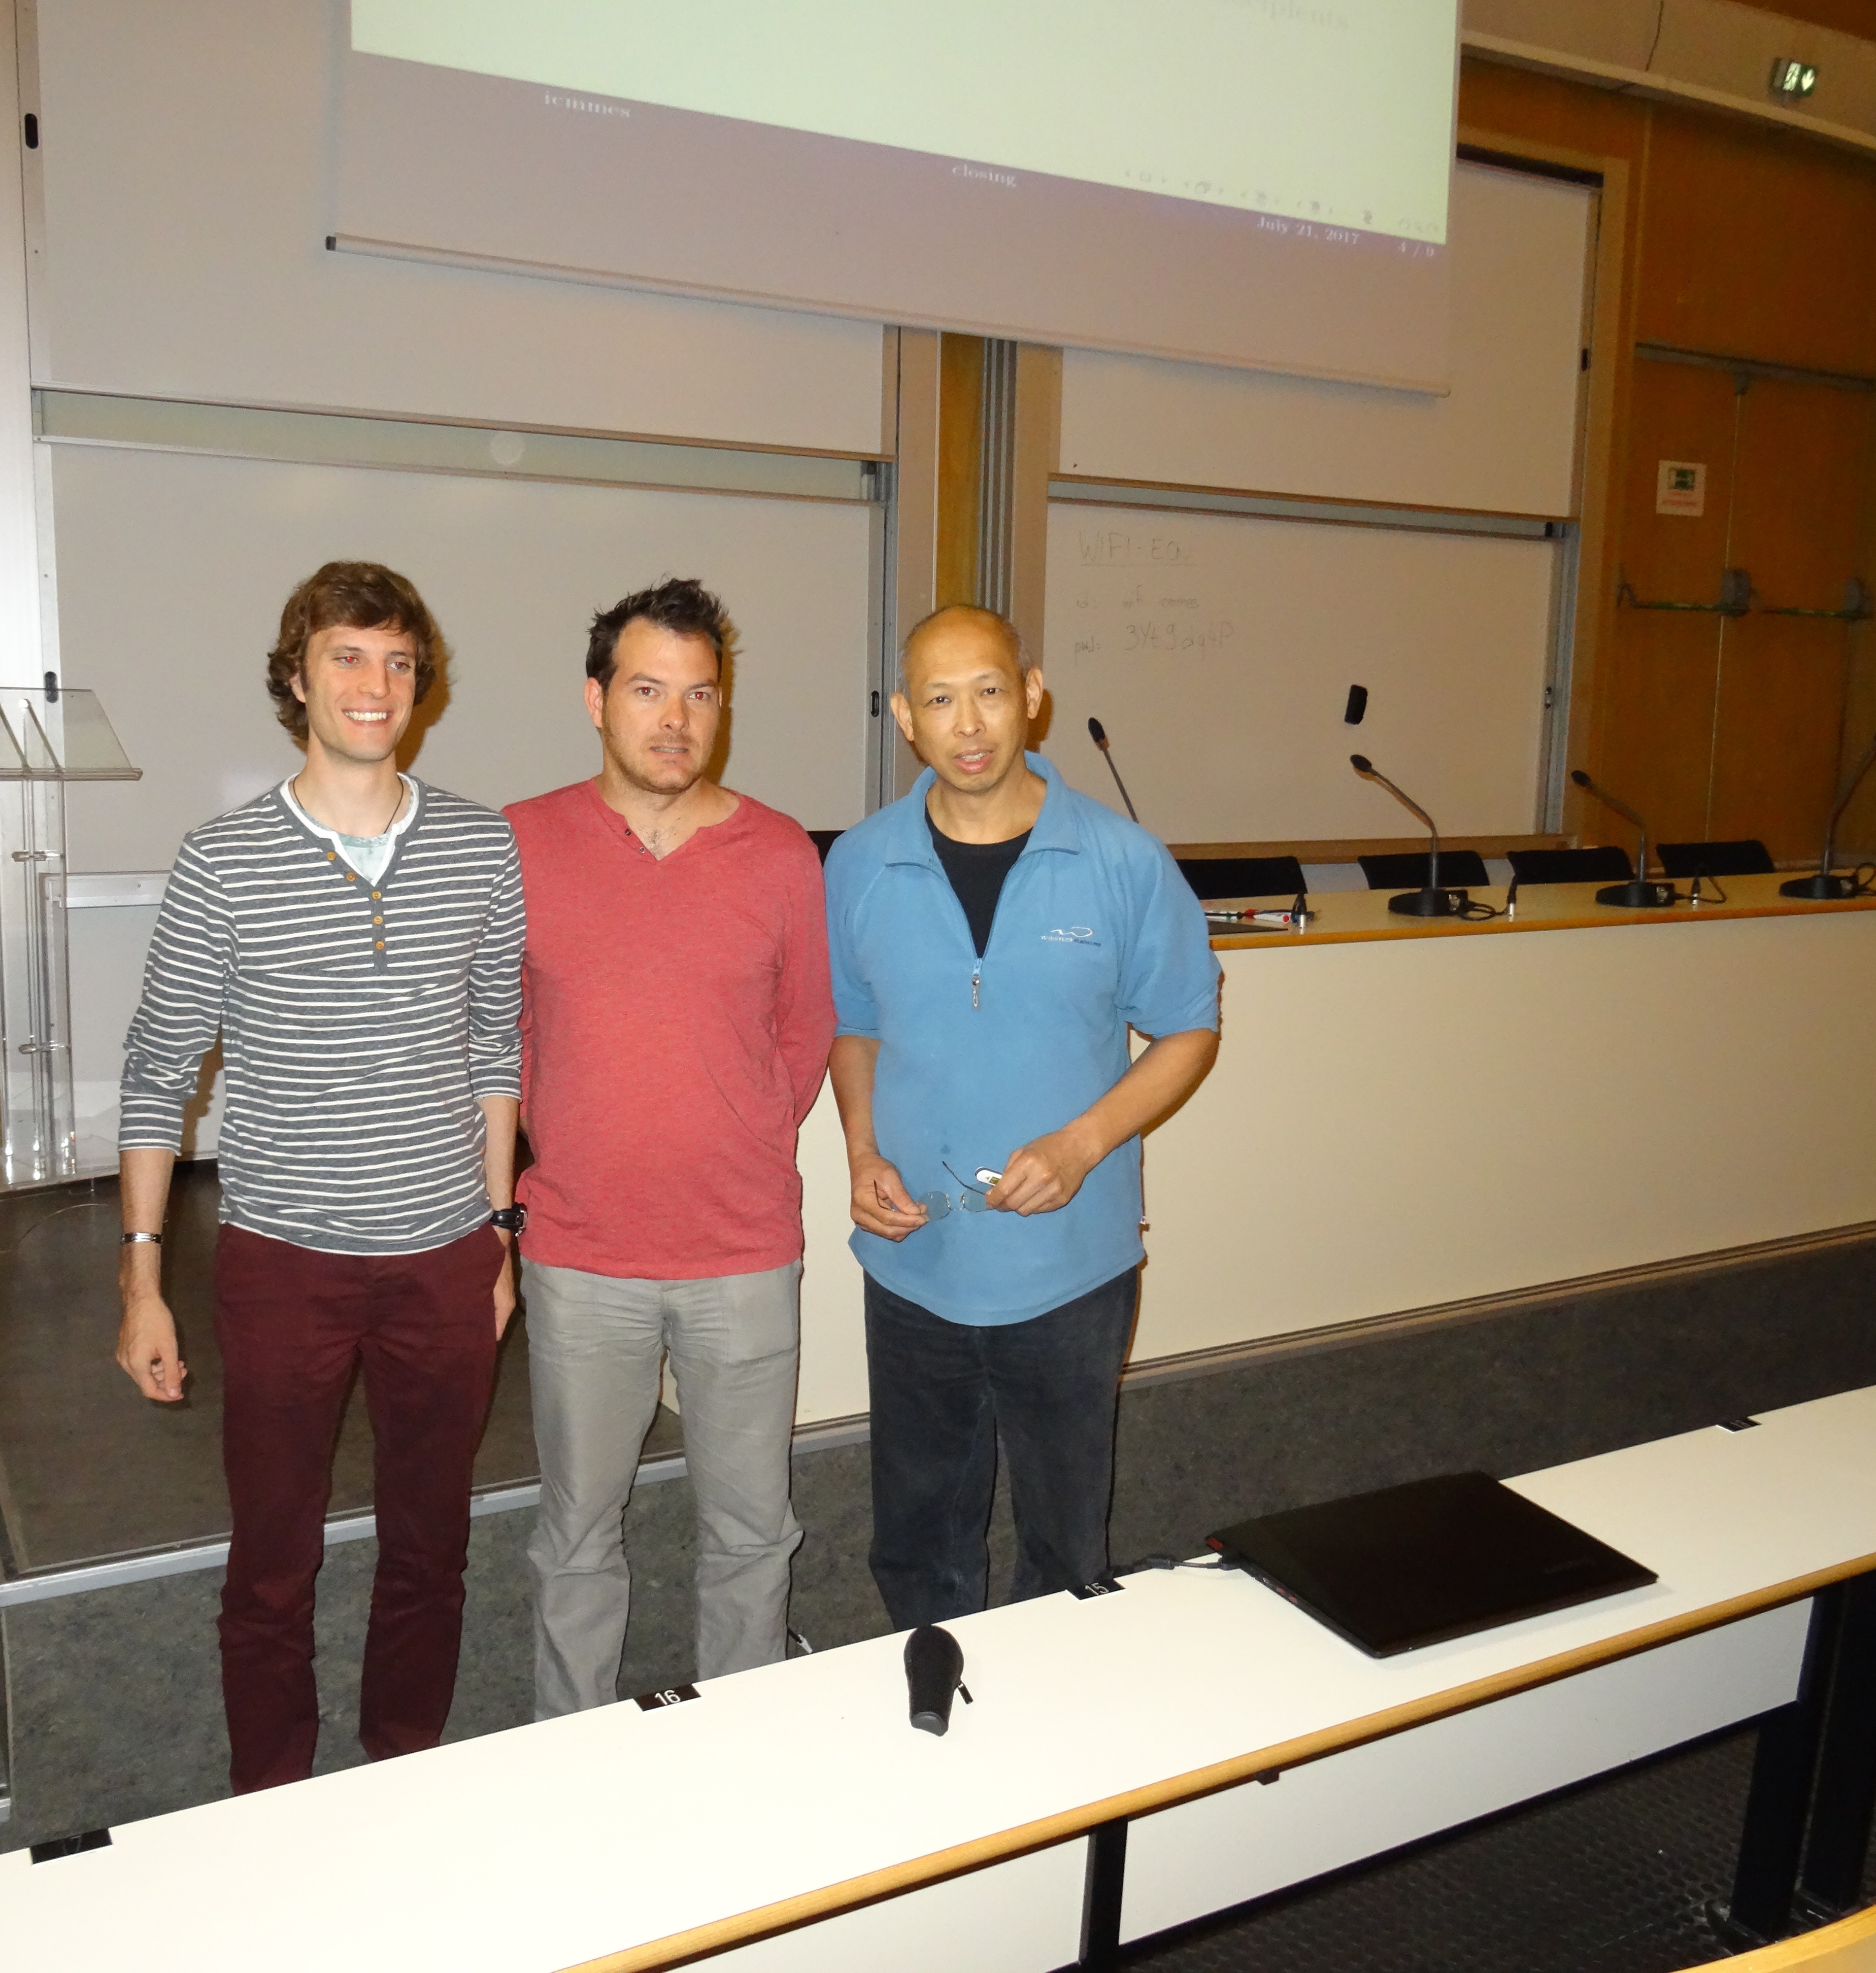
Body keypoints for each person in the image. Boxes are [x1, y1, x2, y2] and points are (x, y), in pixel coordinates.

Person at [114, 560, 525, 1788]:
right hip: (286, 1264)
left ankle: (401, 1770)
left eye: (399, 661)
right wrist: (143, 1280)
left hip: (445, 1260)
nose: (376, 684)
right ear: (298, 679)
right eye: (349, 656)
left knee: (429, 1552)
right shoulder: (223, 860)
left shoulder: (479, 848)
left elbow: (496, 1044)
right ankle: (271, 1802)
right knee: (273, 1561)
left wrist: (499, 1233)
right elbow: (154, 1073)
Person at [823, 603, 1220, 1628]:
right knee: (919, 1544)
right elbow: (855, 1029)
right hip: (917, 1266)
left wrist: (1086, 1144)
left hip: (1071, 1273)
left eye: (990, 691)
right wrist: (860, 1150)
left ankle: (1064, 1756)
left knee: (1065, 1546)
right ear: (907, 718)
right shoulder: (860, 864)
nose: (969, 724)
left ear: (1032, 697)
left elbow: (1188, 1029)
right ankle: (933, 1723)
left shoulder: (1124, 861)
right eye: (942, 699)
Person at [505, 576, 836, 1715]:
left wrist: (724, 1134)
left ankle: (742, 1748)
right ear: (595, 700)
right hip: (581, 1253)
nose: (677, 720)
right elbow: (498, 1042)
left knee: (752, 1533)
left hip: (743, 1256)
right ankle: (572, 1750)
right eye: (649, 690)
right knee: (577, 1535)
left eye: (700, 694)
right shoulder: (521, 844)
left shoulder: (782, 854)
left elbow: (804, 1037)